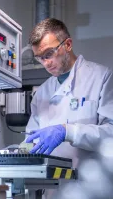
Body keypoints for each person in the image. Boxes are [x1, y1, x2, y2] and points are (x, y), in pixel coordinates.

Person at [25, 18, 113, 168]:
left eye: (49, 53)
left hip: (92, 185)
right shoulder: (41, 92)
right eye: (40, 58)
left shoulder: (101, 77)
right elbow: (31, 139)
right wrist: (17, 151)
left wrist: (68, 132)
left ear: (68, 44)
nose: (46, 63)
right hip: (51, 186)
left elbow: (110, 134)